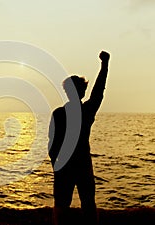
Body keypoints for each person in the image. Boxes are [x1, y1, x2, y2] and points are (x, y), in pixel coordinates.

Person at [48, 51, 110, 225]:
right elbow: (99, 92)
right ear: (81, 92)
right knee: (85, 204)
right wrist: (105, 65)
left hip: (68, 165)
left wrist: (55, 164)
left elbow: (52, 144)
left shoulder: (60, 113)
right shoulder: (84, 111)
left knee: (64, 206)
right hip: (80, 165)